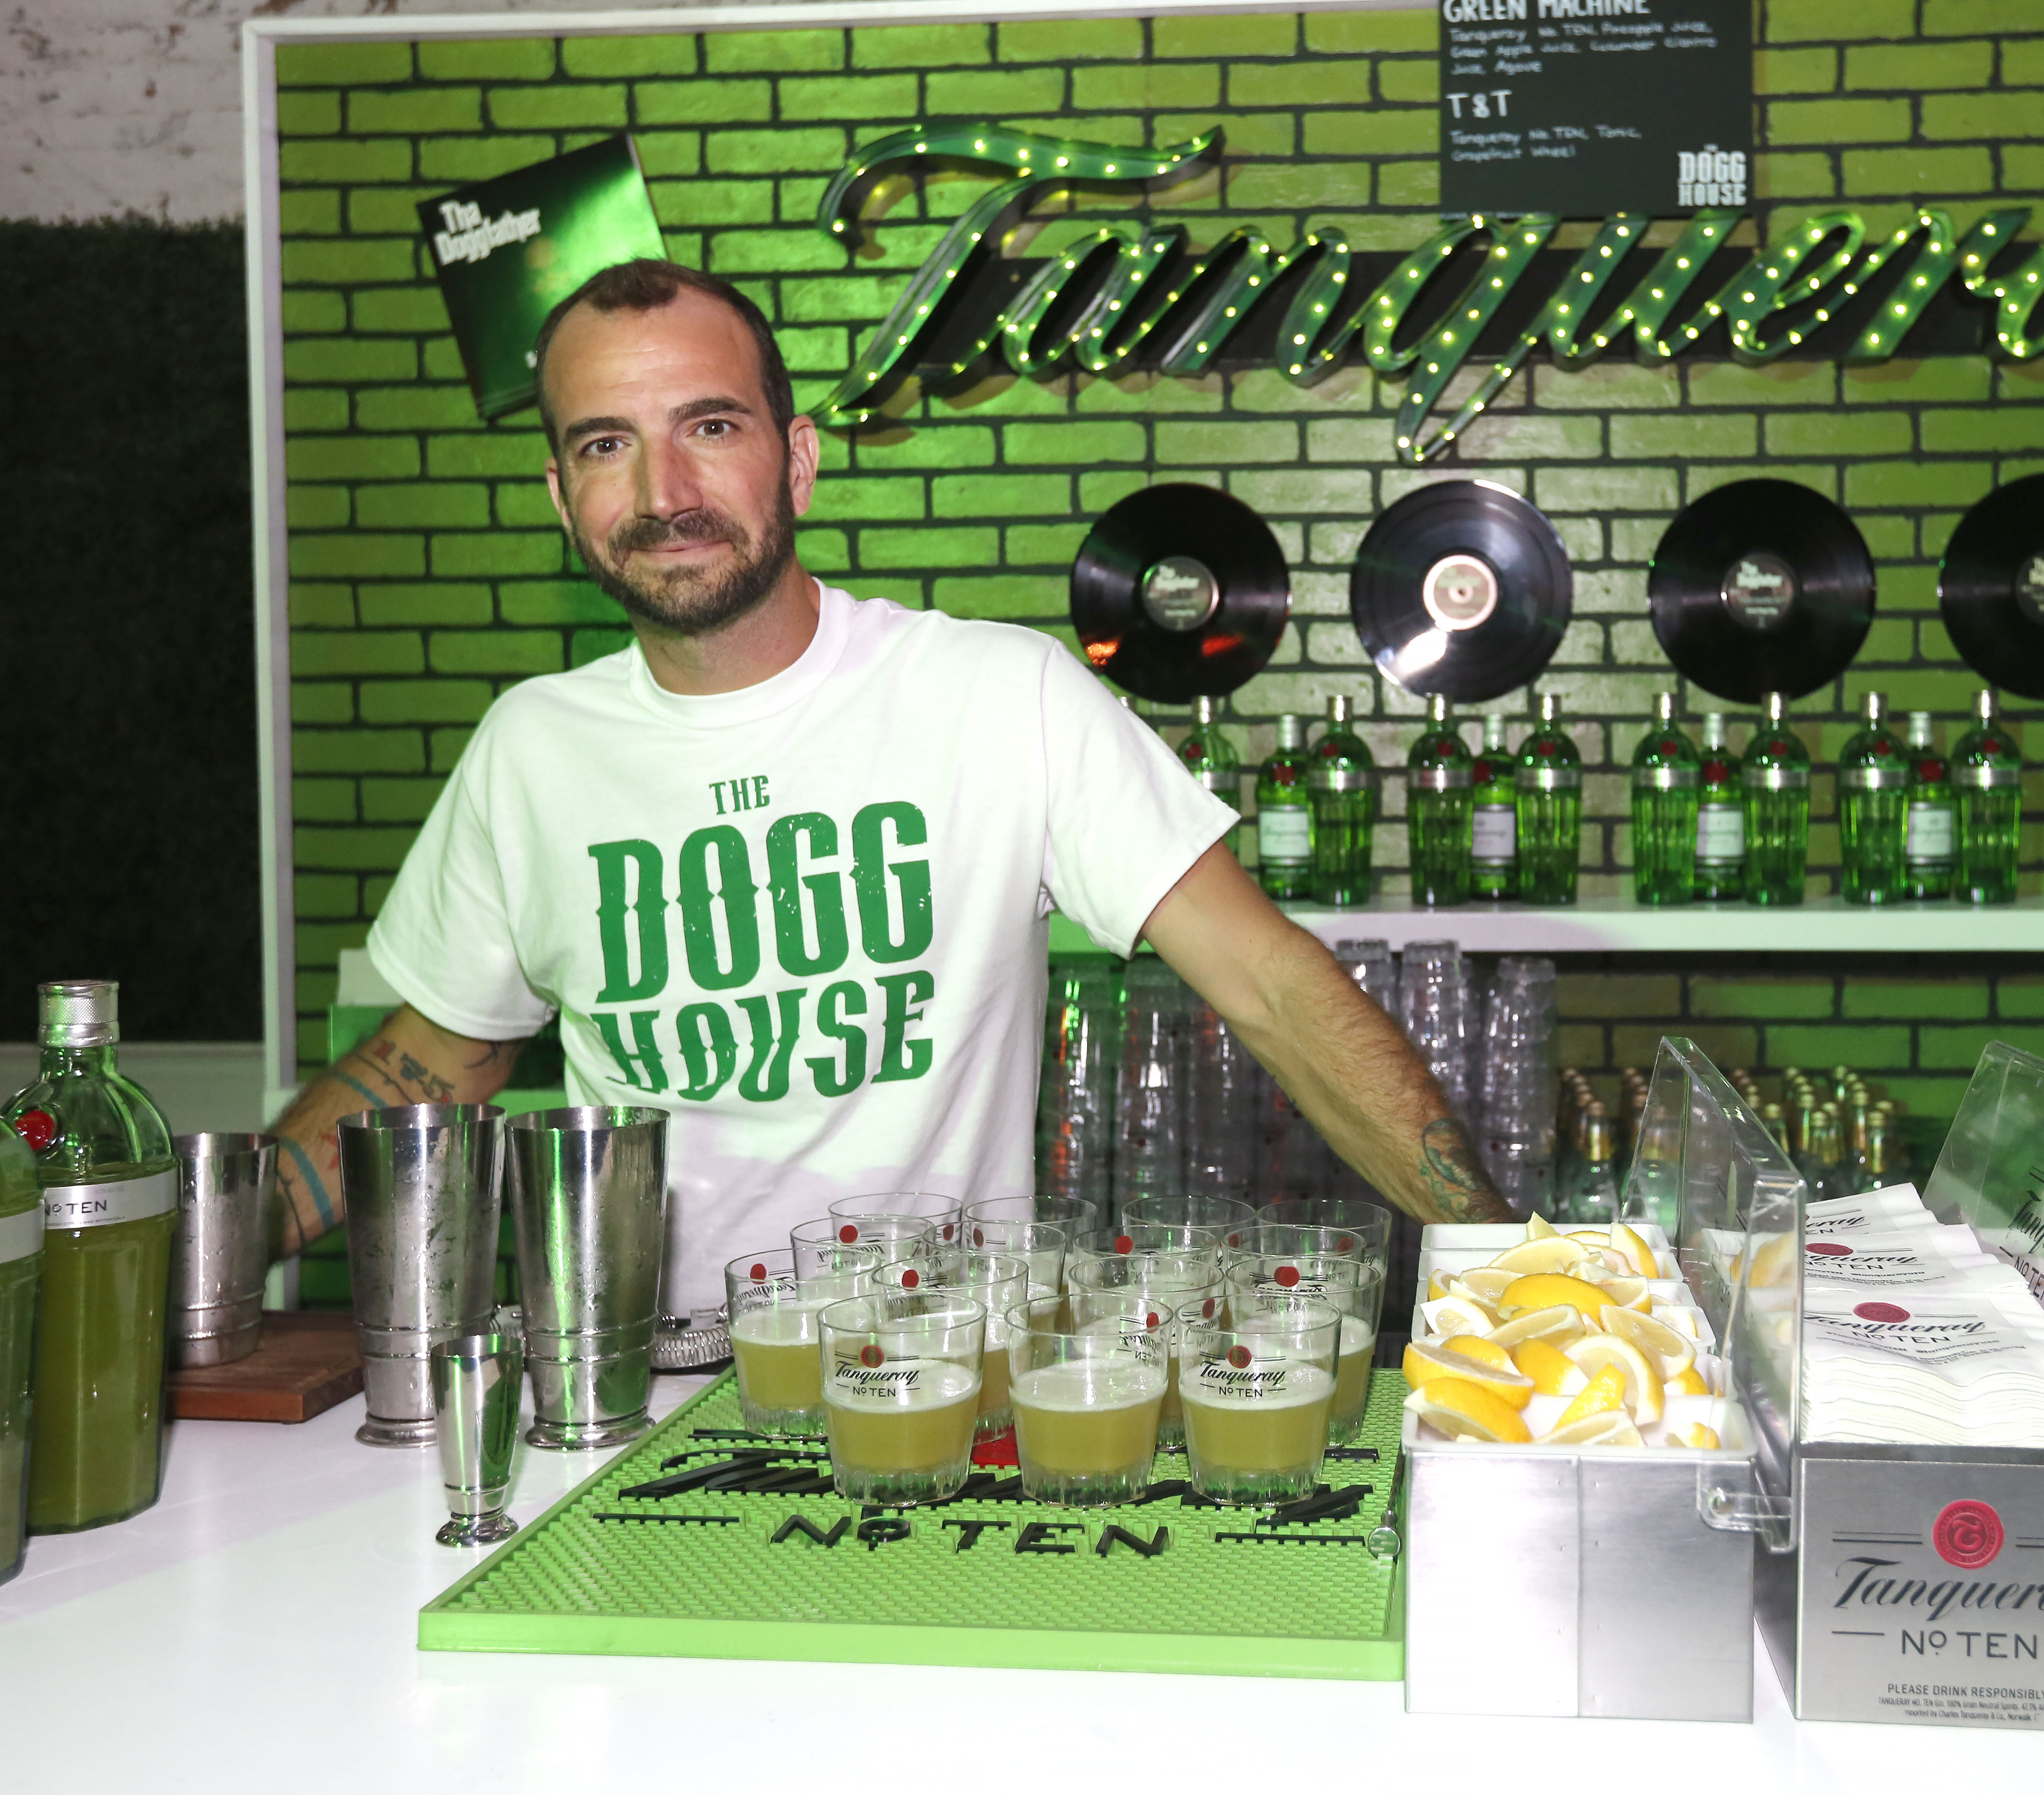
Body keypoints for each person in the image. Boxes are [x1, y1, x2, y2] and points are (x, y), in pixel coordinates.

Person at [262, 259, 1509, 1308]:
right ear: (560, 498)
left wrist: (1515, 1267)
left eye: (711, 426)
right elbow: (429, 1063)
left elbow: (1273, 989)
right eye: (606, 444)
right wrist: (200, 1252)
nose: (665, 494)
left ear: (795, 460)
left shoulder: (997, 695)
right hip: (630, 1397)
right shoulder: (530, 750)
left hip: (942, 1385)